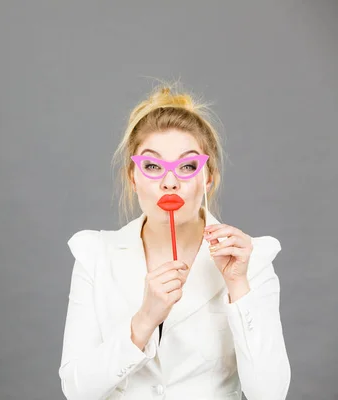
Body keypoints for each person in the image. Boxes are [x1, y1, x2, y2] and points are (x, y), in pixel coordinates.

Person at [58, 84, 291, 399]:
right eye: (153, 166)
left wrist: (238, 287)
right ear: (133, 176)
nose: (170, 181)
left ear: (208, 178)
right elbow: (76, 391)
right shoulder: (95, 255)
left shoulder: (252, 260)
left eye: (187, 166)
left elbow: (270, 394)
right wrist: (143, 321)